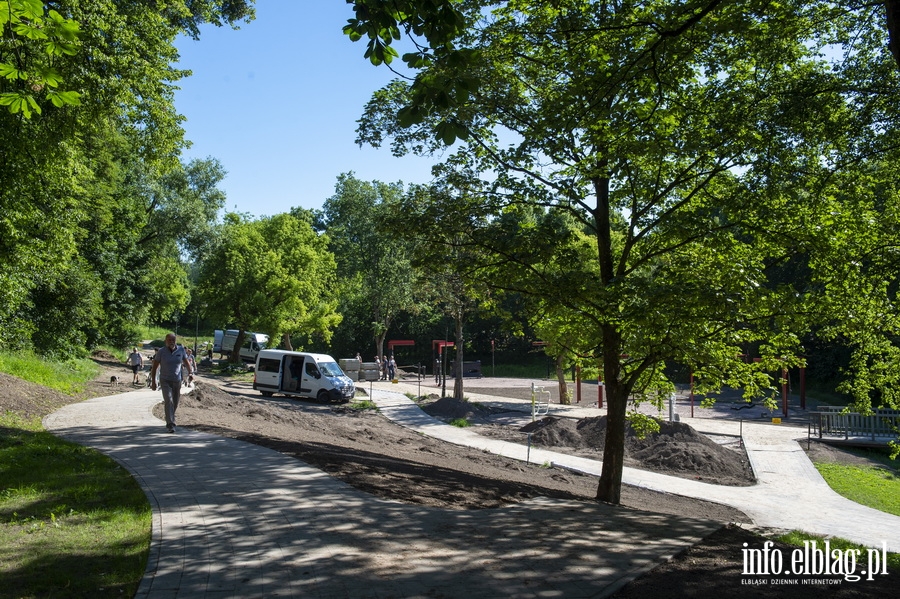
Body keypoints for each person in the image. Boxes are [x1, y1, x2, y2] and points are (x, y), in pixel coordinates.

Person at [149, 333, 194, 433]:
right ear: (165, 341)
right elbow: (155, 367)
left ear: (175, 340)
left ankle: (169, 416)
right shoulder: (161, 352)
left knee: (175, 402)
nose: (171, 341)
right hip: (165, 380)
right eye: (169, 340)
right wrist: (153, 381)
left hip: (177, 380)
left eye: (173, 340)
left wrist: (190, 372)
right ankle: (171, 424)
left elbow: (186, 362)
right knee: (168, 400)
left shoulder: (181, 350)